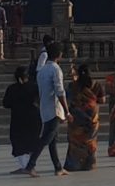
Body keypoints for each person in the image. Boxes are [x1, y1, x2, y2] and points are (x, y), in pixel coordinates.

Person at [5, 63, 57, 176]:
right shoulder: (34, 87)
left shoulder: (11, 88)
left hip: (18, 119)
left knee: (18, 142)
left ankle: (26, 166)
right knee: (32, 141)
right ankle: (29, 166)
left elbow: (6, 104)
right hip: (33, 118)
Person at [35, 38, 71, 169]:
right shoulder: (55, 69)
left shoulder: (42, 70)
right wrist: (67, 111)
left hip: (45, 108)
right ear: (59, 54)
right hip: (54, 109)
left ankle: (58, 167)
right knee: (47, 138)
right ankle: (30, 164)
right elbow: (60, 91)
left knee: (53, 140)